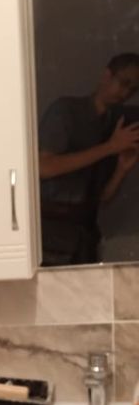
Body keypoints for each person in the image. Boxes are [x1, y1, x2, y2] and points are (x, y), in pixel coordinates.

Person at [38, 53, 139, 266]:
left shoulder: (112, 125)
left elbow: (102, 198)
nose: (125, 93)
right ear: (106, 75)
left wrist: (121, 169)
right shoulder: (66, 111)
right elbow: (43, 168)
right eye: (124, 83)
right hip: (50, 232)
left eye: (133, 89)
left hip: (85, 235)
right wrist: (109, 147)